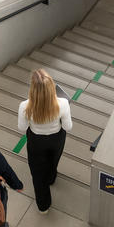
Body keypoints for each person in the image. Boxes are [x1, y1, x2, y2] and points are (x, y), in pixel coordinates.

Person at [18, 69, 72, 213]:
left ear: (32, 89)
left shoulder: (25, 106)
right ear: (51, 86)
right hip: (56, 138)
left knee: (37, 174)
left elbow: (22, 127)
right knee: (53, 160)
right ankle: (51, 178)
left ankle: (43, 206)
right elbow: (68, 127)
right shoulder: (63, 103)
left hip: (36, 141)